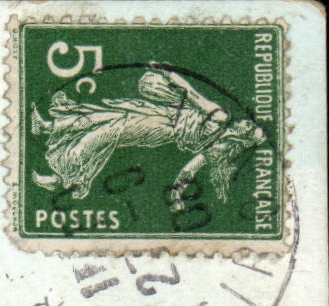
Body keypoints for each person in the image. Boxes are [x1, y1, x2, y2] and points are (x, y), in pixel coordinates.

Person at [30, 63, 265, 210]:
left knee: (110, 130)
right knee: (109, 116)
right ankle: (50, 128)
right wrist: (176, 194)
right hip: (162, 119)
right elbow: (188, 171)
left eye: (248, 125)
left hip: (161, 125)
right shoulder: (219, 149)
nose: (246, 120)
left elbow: (192, 95)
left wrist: (170, 75)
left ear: (243, 133)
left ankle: (63, 177)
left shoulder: (221, 117)